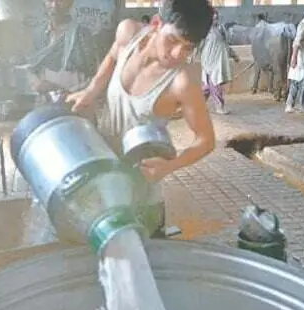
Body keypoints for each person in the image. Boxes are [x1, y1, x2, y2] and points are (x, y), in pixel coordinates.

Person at [67, 0, 216, 238]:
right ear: (157, 24)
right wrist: (92, 90)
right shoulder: (128, 33)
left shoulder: (182, 82)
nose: (178, 54)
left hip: (142, 195)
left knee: (147, 263)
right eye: (173, 40)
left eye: (188, 48)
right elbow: (112, 56)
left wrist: (168, 166)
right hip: (103, 174)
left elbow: (206, 140)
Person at [197, 8, 239, 115]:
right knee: (215, 86)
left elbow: (225, 46)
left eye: (216, 18)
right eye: (213, 18)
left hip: (217, 64)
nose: (215, 20)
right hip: (209, 64)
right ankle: (219, 107)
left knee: (207, 88)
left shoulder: (219, 31)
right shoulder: (203, 31)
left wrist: (234, 56)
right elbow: (197, 45)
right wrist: (190, 57)